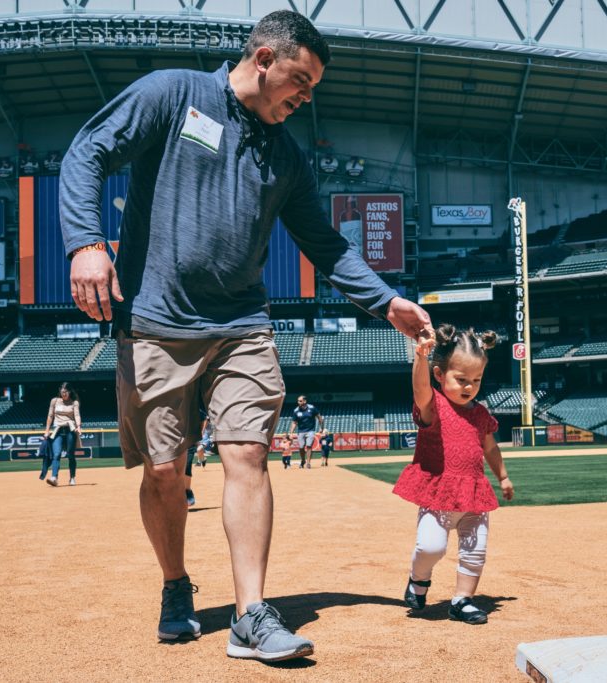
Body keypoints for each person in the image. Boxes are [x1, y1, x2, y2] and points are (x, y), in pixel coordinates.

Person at [59, 9, 432, 661]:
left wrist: (387, 301)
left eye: (312, 87)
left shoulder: (286, 155)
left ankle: (250, 614)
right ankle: (175, 584)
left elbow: (324, 242)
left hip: (241, 325)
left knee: (247, 455)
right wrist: (86, 243)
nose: (305, 97)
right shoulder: (173, 95)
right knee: (165, 471)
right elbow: (88, 150)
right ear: (263, 58)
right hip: (155, 321)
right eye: (301, 80)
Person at [392, 324, 512, 625]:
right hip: (440, 493)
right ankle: (418, 580)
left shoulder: (480, 413)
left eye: (476, 379)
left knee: (475, 550)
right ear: (439, 375)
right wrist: (421, 356)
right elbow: (419, 389)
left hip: (474, 493)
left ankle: (462, 601)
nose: (469, 386)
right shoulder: (434, 406)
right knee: (431, 547)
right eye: (461, 379)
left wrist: (503, 476)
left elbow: (490, 448)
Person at [43, 383, 83, 487]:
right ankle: (54, 477)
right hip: (58, 431)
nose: (64, 393)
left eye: (66, 392)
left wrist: (78, 426)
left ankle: (72, 478)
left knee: (71, 455)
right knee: (56, 454)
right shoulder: (54, 401)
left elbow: (77, 415)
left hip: (70, 430)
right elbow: (50, 416)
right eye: (62, 392)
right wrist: (47, 431)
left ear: (70, 392)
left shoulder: (74, 403)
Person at [288, 395, 324, 469]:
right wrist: (291, 433)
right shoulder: (296, 410)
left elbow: (319, 417)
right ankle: (303, 460)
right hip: (301, 431)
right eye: (298, 401)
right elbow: (294, 422)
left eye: (300, 401)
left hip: (311, 430)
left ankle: (308, 463)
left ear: (305, 401)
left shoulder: (312, 408)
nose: (298, 402)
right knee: (301, 447)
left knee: (309, 446)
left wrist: (321, 428)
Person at [184, 414, 212, 507]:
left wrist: (201, 432)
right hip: (179, 437)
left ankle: (187, 492)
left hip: (198, 439)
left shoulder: (204, 423)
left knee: (197, 451)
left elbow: (204, 417)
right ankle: (202, 460)